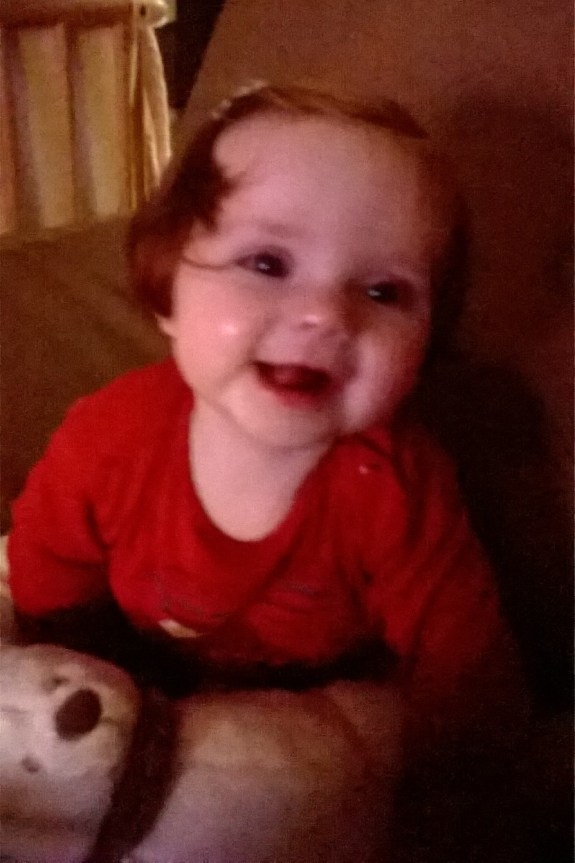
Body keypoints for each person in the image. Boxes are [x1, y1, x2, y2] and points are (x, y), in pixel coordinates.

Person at [9, 83, 528, 764]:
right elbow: (49, 573)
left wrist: (449, 778)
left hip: (322, 709)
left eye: (383, 291)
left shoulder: (398, 486)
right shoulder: (109, 436)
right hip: (134, 674)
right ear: (166, 289)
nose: (326, 314)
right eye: (267, 263)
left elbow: (463, 668)